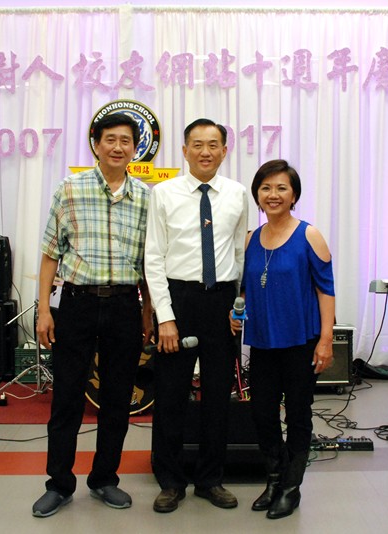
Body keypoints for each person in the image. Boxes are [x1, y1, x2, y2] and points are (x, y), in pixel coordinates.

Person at [32, 112, 154, 518]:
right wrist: (44, 309)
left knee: (117, 399)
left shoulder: (146, 197)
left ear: (135, 148)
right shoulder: (70, 189)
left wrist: (148, 311)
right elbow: (50, 253)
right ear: (96, 144)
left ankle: (104, 479)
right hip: (77, 303)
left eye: (126, 141)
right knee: (66, 397)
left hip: (125, 305)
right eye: (110, 139)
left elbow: (149, 262)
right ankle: (59, 484)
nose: (118, 147)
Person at [145, 118, 249, 513]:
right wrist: (165, 317)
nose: (206, 152)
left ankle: (210, 479)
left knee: (218, 395)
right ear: (185, 150)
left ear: (224, 150)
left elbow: (238, 255)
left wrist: (238, 306)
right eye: (198, 144)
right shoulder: (164, 194)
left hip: (221, 302)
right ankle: (170, 482)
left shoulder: (237, 194)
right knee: (170, 395)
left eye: (213, 144)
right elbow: (153, 258)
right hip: (179, 298)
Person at [230, 159, 335, 519]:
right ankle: (274, 480)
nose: (272, 195)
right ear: (257, 195)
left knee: (298, 415)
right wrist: (235, 311)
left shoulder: (309, 235)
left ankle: (291, 488)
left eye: (281, 188)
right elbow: (243, 289)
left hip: (301, 342)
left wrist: (325, 339)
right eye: (266, 188)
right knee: (262, 414)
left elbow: (326, 290)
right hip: (262, 342)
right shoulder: (250, 240)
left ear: (293, 195)